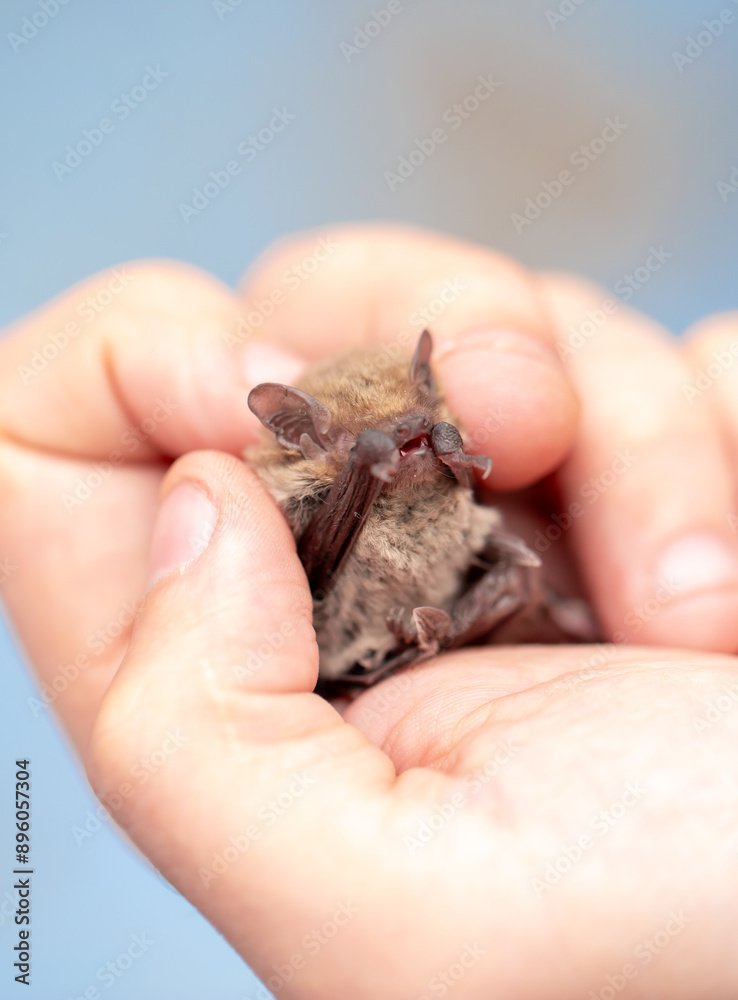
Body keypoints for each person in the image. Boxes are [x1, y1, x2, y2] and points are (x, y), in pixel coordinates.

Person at [1, 225, 737, 997]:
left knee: (517, 567)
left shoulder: (456, 476)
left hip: (461, 607)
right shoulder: (304, 516)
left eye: (423, 413)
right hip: (352, 639)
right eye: (374, 438)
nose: (413, 438)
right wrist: (365, 465)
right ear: (306, 440)